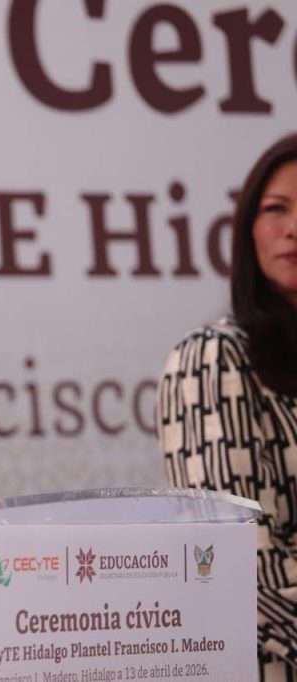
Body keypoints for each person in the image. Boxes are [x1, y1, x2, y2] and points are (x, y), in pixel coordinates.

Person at [157, 132, 297, 680]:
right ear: (248, 231)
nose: (292, 227)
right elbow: (235, 560)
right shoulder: (213, 358)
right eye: (276, 209)